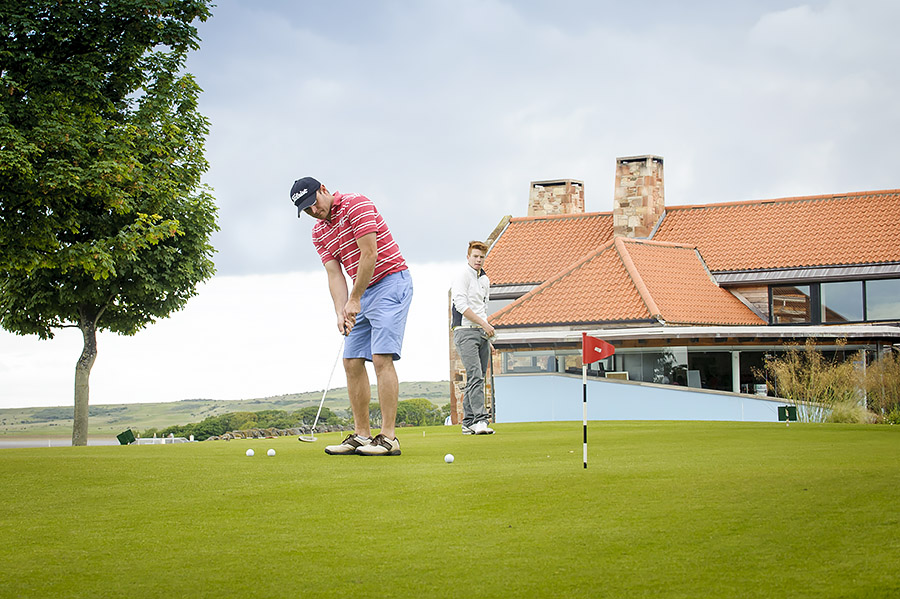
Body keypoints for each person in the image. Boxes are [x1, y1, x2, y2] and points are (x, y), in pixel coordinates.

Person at [290, 176, 413, 456]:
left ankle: (389, 438)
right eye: (306, 210)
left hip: (390, 281)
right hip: (361, 291)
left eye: (314, 203)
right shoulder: (318, 232)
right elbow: (334, 273)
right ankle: (361, 435)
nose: (313, 211)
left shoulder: (356, 205)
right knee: (352, 361)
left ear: (323, 189)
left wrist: (355, 299)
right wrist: (340, 310)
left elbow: (369, 254)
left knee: (382, 357)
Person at [451, 240, 495, 435]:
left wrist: (487, 335)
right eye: (475, 256)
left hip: (481, 333)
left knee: (476, 378)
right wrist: (484, 324)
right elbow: (461, 305)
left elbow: (483, 308)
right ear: (468, 256)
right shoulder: (462, 276)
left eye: (481, 257)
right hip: (464, 330)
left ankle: (468, 422)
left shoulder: (485, 280)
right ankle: (480, 420)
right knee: (475, 375)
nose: (478, 260)